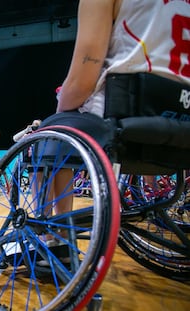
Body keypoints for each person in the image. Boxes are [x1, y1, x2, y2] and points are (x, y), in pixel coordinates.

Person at [41, 0, 190, 233]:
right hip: (182, 124)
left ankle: (57, 235)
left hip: (129, 114)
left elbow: (82, 81)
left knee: (50, 135)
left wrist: (59, 114)